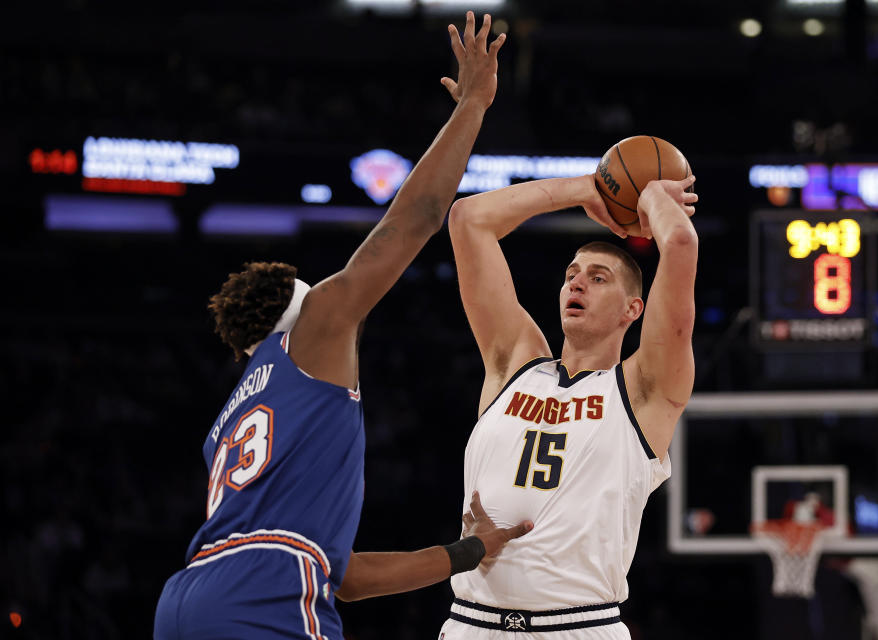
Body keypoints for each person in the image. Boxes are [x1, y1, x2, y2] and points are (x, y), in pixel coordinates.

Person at [154, 13, 531, 640]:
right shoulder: (317, 327)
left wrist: (467, 553)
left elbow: (344, 577)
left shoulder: (231, 417)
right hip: (266, 591)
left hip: (192, 595)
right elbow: (416, 219)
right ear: (300, 305)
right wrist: (473, 107)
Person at [439, 171, 699, 638]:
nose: (577, 285)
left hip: (578, 626)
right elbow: (468, 219)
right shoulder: (514, 364)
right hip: (471, 623)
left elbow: (679, 242)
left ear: (632, 310)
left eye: (598, 279)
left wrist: (657, 199)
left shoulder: (644, 391)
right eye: (571, 276)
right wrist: (587, 189)